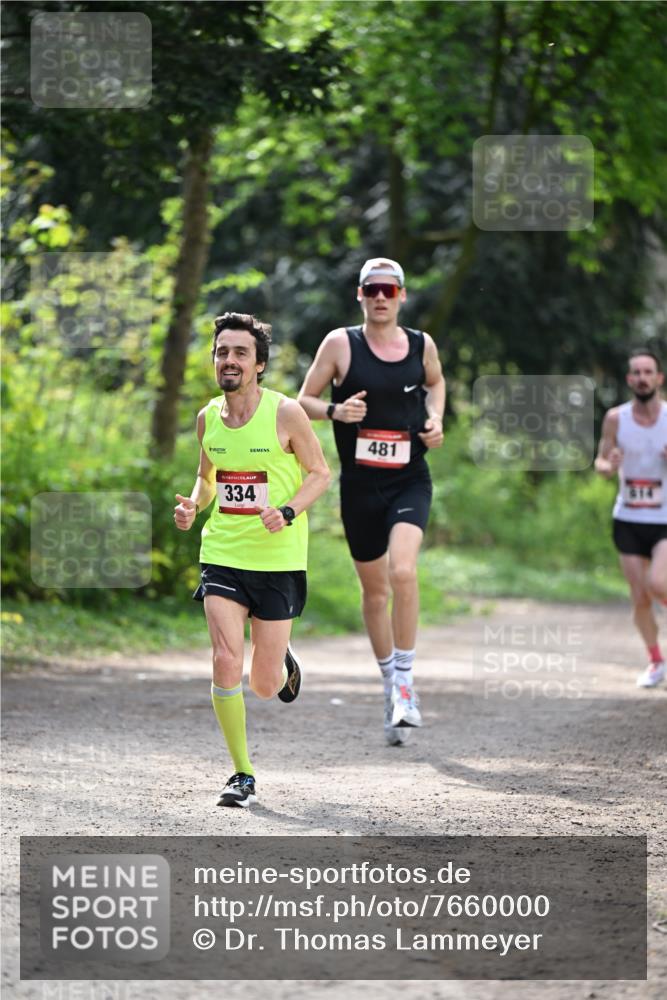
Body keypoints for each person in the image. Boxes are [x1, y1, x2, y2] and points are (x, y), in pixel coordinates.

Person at [174, 311, 330, 807]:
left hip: (279, 559)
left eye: (241, 353)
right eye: (222, 352)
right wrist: (194, 505)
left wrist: (286, 511)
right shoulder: (207, 419)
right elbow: (208, 477)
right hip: (222, 552)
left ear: (259, 363)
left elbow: (320, 474)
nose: (230, 360)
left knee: (263, 685)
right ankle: (242, 773)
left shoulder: (285, 413)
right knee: (224, 659)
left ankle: (279, 660)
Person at [298, 258, 445, 745]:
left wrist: (436, 419)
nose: (380, 297)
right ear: (359, 295)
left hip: (409, 478)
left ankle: (405, 681)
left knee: (402, 571)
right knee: (375, 591)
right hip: (360, 486)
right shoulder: (341, 344)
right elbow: (303, 401)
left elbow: (436, 383)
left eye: (389, 289)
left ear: (401, 295)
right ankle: (389, 683)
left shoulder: (422, 345)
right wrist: (337, 410)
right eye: (371, 289)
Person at [595, 348, 667, 688]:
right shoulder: (615, 418)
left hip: (664, 517)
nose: (642, 378)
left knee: (658, 583)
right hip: (628, 516)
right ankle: (656, 661)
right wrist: (609, 464)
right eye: (636, 372)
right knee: (639, 596)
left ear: (658, 378)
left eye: (647, 372)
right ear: (629, 380)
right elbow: (600, 464)